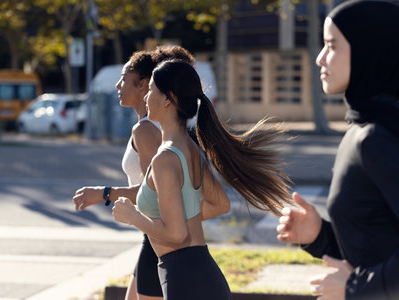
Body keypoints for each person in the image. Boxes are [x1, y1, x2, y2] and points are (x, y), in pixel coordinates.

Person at [112, 60, 292, 299]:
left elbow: (176, 235)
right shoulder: (190, 149)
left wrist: (133, 216)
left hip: (184, 279)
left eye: (152, 89)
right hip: (202, 274)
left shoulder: (165, 159)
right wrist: (180, 218)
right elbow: (220, 204)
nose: (146, 97)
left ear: (168, 98)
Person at [276, 1, 399, 299]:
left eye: (331, 45)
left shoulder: (376, 139)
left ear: (368, 50)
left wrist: (355, 287)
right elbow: (377, 243)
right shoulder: (363, 130)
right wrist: (319, 236)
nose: (320, 58)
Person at [73, 47, 195, 300]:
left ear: (142, 85)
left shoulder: (145, 130)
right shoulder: (150, 127)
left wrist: (104, 193)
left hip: (161, 239)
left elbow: (158, 190)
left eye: (124, 79)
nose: (117, 85)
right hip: (154, 236)